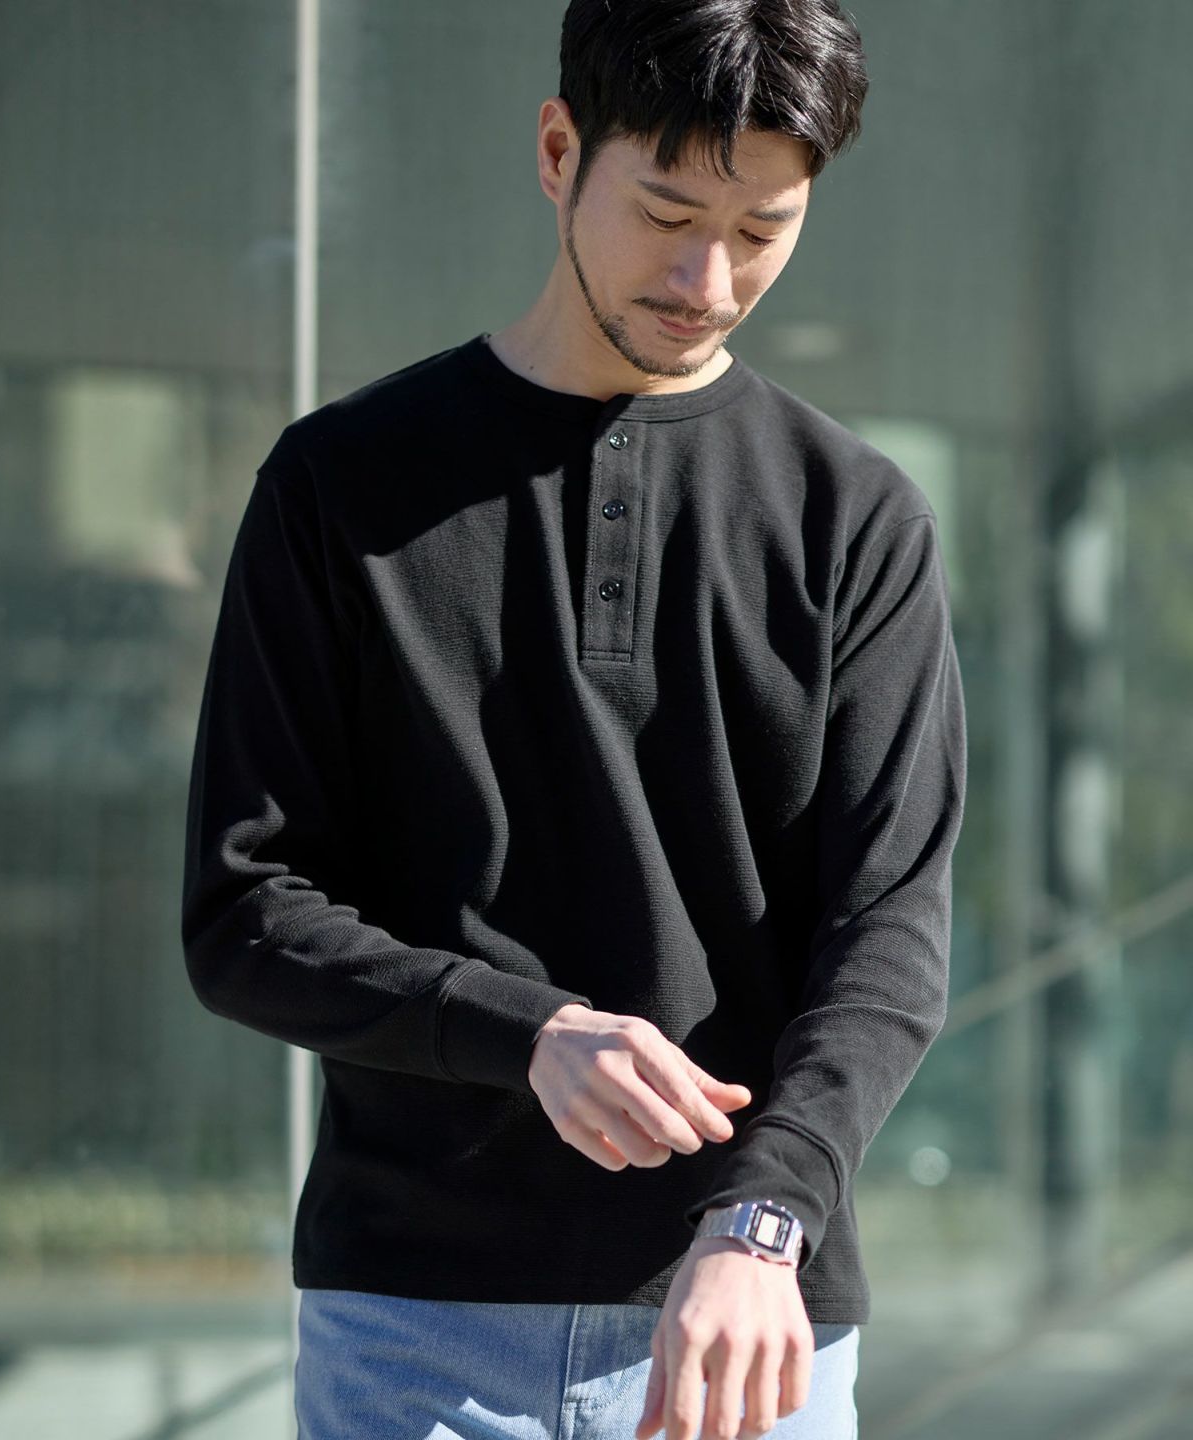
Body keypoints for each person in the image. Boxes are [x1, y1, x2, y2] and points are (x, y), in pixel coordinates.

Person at [180, 1, 967, 1436]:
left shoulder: (857, 521)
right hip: (415, 1332)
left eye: (762, 229)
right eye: (666, 214)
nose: (708, 278)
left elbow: (891, 938)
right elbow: (244, 912)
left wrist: (766, 1219)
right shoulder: (341, 486)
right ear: (558, 151)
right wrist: (527, 1032)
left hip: (752, 1332)